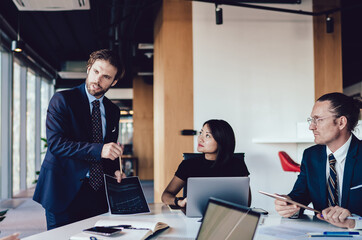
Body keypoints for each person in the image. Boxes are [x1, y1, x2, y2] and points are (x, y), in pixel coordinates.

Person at [33, 49, 125, 230]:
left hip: (96, 194)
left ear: (113, 82)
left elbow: (109, 148)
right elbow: (56, 144)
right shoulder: (62, 100)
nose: (98, 80)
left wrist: (115, 171)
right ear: (89, 69)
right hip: (62, 190)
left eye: (106, 77)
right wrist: (100, 150)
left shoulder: (113, 111)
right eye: (96, 71)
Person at [274, 92, 362, 229]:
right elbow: (299, 196)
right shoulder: (311, 156)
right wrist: (289, 205)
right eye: (312, 120)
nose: (311, 127)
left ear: (341, 122)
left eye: (318, 120)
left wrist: (354, 223)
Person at [161, 119, 250, 208]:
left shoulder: (237, 164)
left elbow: (246, 201)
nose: (200, 139)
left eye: (207, 136)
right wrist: (179, 202)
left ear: (221, 141)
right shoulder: (188, 164)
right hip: (193, 215)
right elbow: (165, 196)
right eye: (201, 133)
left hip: (227, 215)